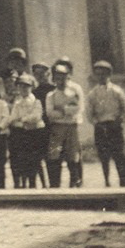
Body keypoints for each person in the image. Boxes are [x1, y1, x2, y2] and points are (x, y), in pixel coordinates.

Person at [87, 60, 125, 188]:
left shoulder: (117, 91)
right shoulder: (93, 94)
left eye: (104, 74)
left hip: (114, 127)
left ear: (109, 74)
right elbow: (89, 114)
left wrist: (120, 120)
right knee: (104, 157)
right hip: (101, 127)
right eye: (98, 74)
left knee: (119, 155)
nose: (101, 77)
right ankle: (107, 182)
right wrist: (97, 123)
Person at [44, 59, 85, 188]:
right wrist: (65, 111)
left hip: (71, 126)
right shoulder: (51, 95)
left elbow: (78, 108)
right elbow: (50, 113)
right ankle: (55, 184)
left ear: (68, 77)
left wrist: (62, 110)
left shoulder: (74, 91)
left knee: (73, 154)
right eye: (58, 78)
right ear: (54, 79)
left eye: (64, 77)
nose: (61, 81)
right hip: (57, 128)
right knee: (54, 153)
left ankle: (75, 182)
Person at [6, 73, 45, 188]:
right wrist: (23, 121)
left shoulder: (36, 102)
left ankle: (36, 183)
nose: (23, 89)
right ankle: (23, 184)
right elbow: (12, 118)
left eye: (26, 86)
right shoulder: (17, 103)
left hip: (36, 134)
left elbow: (36, 117)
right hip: (23, 134)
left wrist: (22, 119)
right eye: (21, 86)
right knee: (22, 159)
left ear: (31, 87)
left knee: (35, 160)